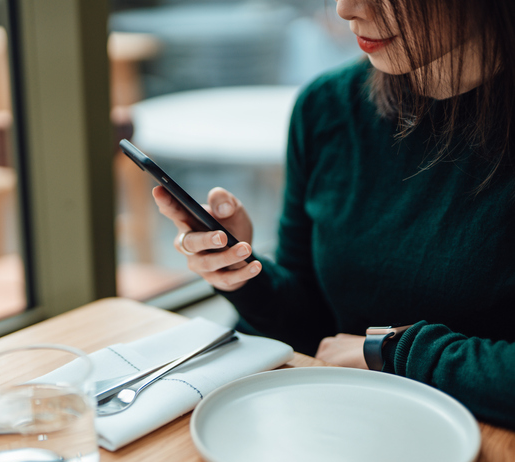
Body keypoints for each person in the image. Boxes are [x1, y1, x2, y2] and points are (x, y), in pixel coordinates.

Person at [153, 0, 515, 429]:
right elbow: (310, 324)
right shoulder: (327, 107)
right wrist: (243, 272)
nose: (345, 9)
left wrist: (395, 354)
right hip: (341, 424)